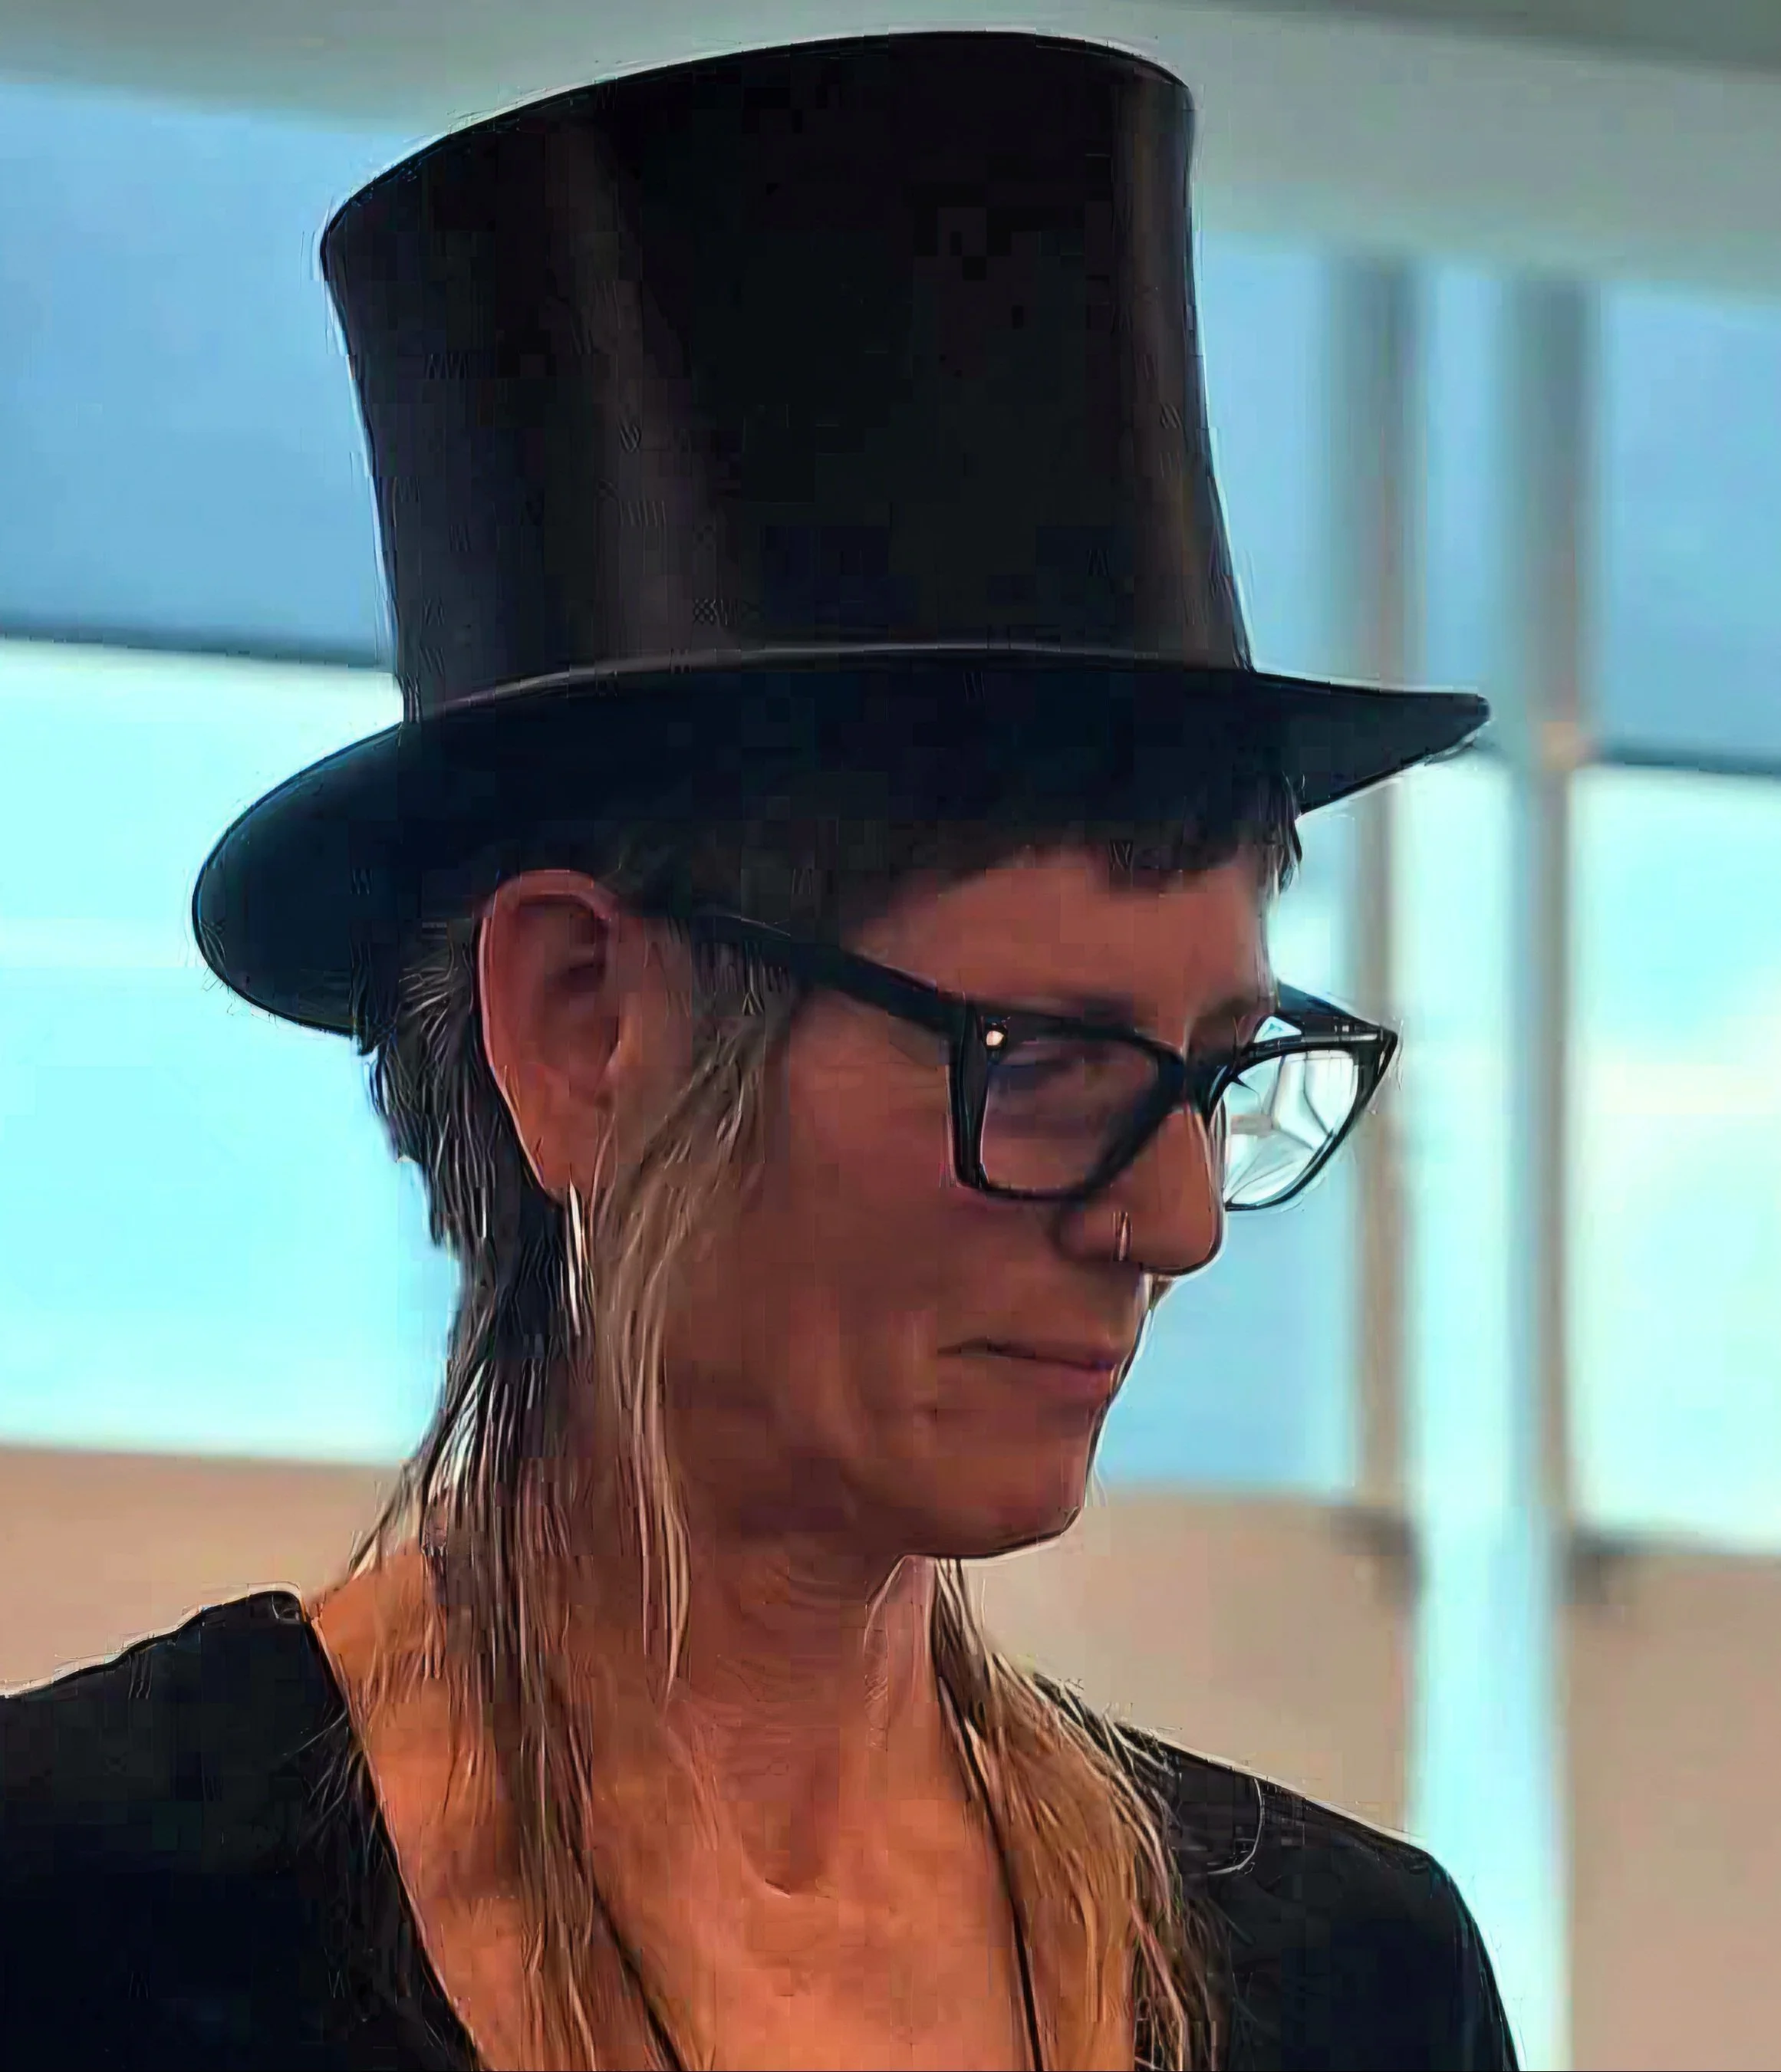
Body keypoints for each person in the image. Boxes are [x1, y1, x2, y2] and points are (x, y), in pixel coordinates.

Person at [0, 30, 1516, 2072]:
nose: (1173, 1224)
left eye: (1219, 1067)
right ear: (582, 1019)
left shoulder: (1344, 1981)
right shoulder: (80, 1919)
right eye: (1042, 1057)